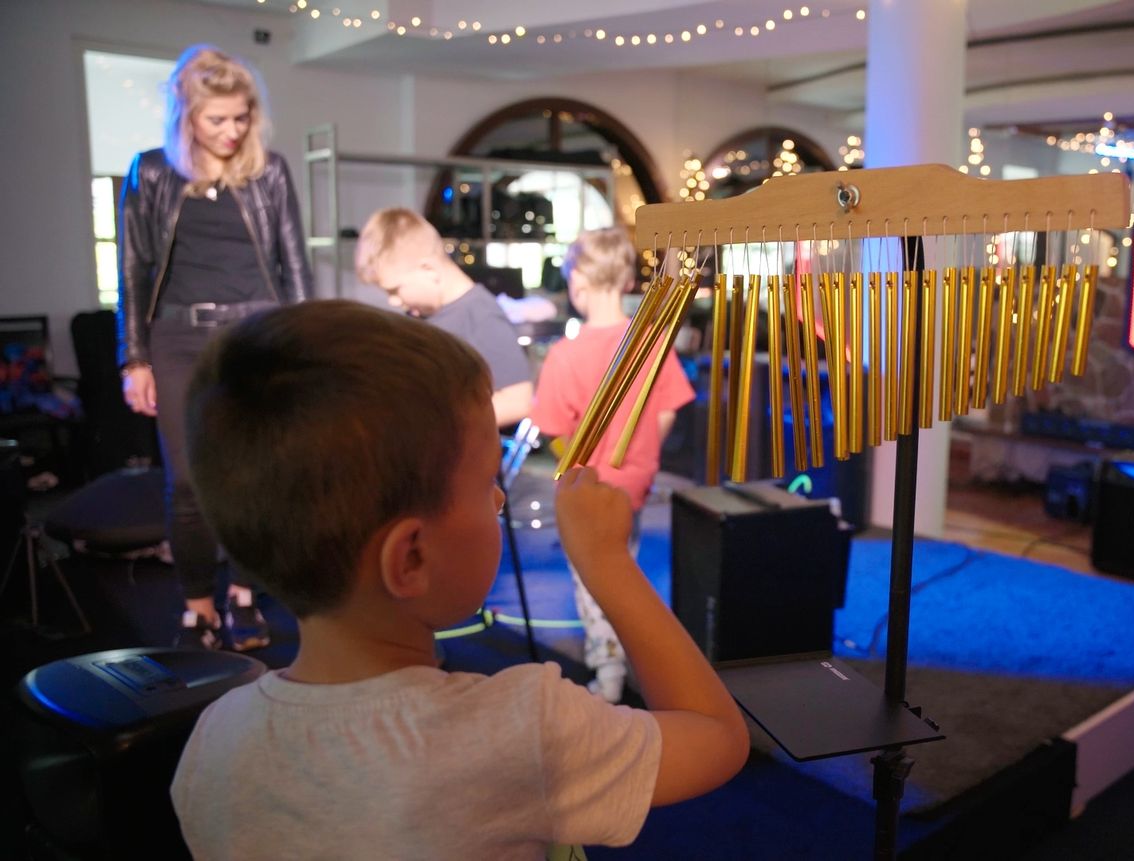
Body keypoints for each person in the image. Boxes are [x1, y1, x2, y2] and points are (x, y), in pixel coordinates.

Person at [169, 300, 749, 857]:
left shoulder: (214, 739)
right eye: (486, 482)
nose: (499, 498)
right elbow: (716, 736)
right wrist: (607, 563)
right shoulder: (521, 732)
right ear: (411, 559)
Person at [117, 44, 310, 651]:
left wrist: (305, 347)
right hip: (178, 339)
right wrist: (134, 358)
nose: (232, 131)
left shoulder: (269, 171)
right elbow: (132, 270)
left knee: (254, 475)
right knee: (190, 482)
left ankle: (244, 596)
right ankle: (198, 606)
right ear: (186, 115)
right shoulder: (151, 172)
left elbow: (296, 265)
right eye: (216, 119)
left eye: (241, 117)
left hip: (257, 335)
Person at [530, 227, 695, 703]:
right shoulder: (652, 343)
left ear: (576, 281)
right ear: (626, 281)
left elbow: (554, 431)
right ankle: (634, 662)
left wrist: (577, 464)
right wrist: (639, 454)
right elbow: (666, 411)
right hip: (634, 483)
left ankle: (609, 676)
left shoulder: (565, 355)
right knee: (626, 566)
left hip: (588, 488)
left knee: (591, 580)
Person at [354, 207, 532, 429]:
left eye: (395, 290)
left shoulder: (481, 315)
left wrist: (439, 426)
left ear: (428, 270)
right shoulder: (419, 316)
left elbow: (518, 400)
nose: (394, 301)